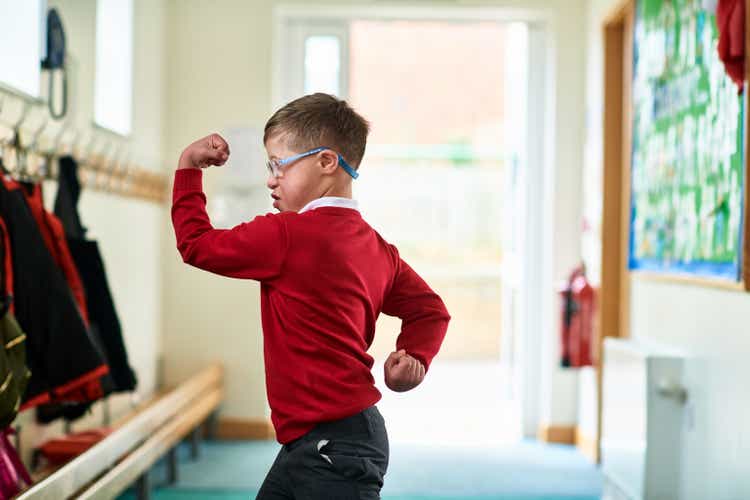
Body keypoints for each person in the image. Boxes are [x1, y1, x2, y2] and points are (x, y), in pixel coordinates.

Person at [171, 93, 450, 499]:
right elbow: (431, 311)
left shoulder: (285, 234)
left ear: (326, 162)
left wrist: (188, 167)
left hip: (332, 449)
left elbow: (195, 243)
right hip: (320, 443)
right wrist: (415, 355)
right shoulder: (377, 248)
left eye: (278, 165)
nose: (271, 179)